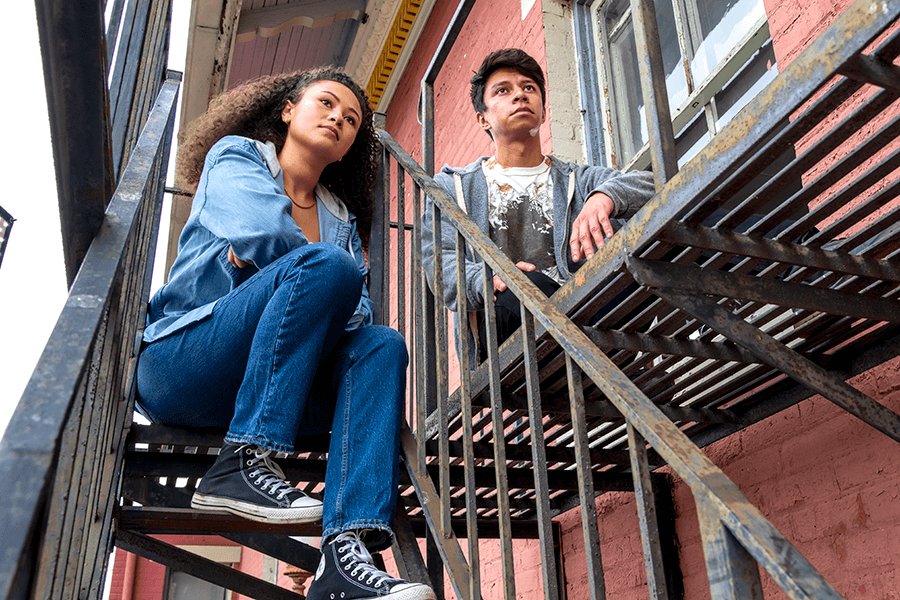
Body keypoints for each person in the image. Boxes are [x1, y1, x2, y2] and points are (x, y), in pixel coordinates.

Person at [135, 67, 435, 600]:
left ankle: (344, 559)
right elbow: (267, 230)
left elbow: (357, 317)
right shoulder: (236, 156)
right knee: (327, 269)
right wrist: (310, 279)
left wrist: (294, 281)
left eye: (350, 120)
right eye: (325, 104)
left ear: (347, 150)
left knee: (381, 345)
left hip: (279, 384)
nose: (338, 119)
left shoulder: (339, 217)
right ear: (288, 110)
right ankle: (243, 461)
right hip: (187, 363)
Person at [422, 48, 656, 367]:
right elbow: (441, 264)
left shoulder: (578, 178)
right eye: (503, 90)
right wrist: (485, 278)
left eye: (529, 87)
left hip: (590, 312)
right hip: (512, 324)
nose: (520, 94)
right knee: (523, 285)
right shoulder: (453, 188)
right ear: (482, 118)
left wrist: (605, 197)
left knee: (679, 221)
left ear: (543, 111)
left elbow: (658, 184)